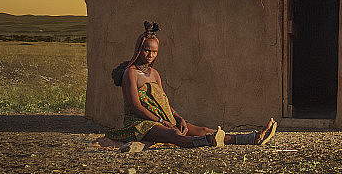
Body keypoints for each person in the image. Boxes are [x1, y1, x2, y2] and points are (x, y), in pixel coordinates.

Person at [107, 21, 277, 148]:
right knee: (174, 134)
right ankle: (207, 142)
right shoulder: (131, 74)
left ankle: (251, 138)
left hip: (163, 119)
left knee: (201, 128)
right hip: (140, 122)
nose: (150, 55)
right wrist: (161, 121)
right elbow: (136, 107)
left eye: (154, 51)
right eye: (146, 50)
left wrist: (178, 117)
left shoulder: (154, 74)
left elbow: (164, 102)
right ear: (138, 50)